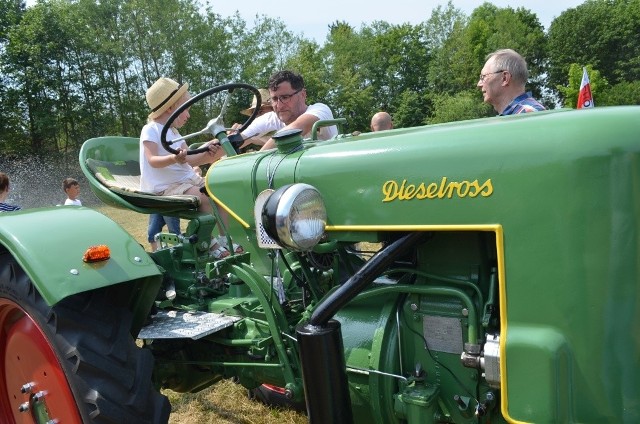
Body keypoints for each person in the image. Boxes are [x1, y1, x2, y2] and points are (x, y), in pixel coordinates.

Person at [140, 77, 239, 258]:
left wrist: (210, 149)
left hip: (185, 181)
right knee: (206, 198)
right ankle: (209, 242)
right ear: (170, 108)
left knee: (221, 192)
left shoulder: (174, 133)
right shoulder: (151, 129)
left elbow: (190, 160)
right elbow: (152, 160)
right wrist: (173, 158)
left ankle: (226, 238)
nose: (189, 115)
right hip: (167, 187)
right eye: (186, 109)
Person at [259, 70, 338, 151]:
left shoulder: (320, 110)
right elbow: (246, 135)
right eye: (274, 99)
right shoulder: (273, 118)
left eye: (285, 97)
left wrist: (257, 158)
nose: (279, 105)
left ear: (303, 94)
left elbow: (294, 130)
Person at [477, 49, 546, 115]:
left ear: (504, 78)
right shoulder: (518, 115)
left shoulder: (529, 114)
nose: (479, 84)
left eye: (483, 77)